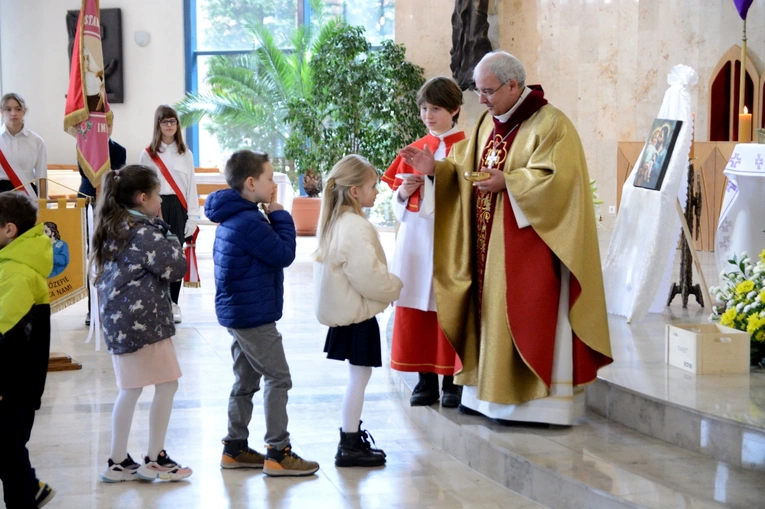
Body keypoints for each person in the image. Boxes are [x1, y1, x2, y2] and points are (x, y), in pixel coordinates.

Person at [400, 51, 613, 425]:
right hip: (487, 245)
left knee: (523, 314)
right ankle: (486, 397)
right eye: (479, 92)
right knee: (486, 312)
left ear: (513, 85)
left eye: (488, 91)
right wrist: (437, 169)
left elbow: (558, 181)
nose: (481, 100)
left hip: (527, 249)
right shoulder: (488, 122)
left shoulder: (551, 124)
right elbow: (465, 167)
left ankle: (533, 405)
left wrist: (510, 183)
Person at [205, 150, 319, 477]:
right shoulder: (248, 221)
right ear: (251, 182)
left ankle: (235, 448)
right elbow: (283, 253)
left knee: (246, 380)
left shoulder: (238, 216)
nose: (273, 185)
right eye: (269, 179)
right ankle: (278, 451)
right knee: (279, 378)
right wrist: (281, 216)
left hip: (240, 312)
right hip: (252, 315)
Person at [91, 165, 192, 482]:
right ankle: (155, 457)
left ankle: (118, 460)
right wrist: (169, 233)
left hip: (122, 324)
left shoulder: (114, 226)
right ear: (142, 197)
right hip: (144, 326)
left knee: (131, 390)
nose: (162, 201)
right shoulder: (146, 233)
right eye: (158, 194)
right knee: (167, 384)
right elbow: (177, 267)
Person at [381, 76, 465, 408]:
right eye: (424, 109)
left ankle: (452, 382)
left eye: (436, 109)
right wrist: (404, 192)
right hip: (416, 239)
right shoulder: (415, 148)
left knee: (447, 306)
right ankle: (424, 380)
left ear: (455, 109)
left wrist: (435, 177)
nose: (429, 116)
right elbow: (395, 201)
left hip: (449, 239)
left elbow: (469, 195)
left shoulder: (467, 149)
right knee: (416, 304)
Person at [314, 155, 403, 467]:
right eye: (372, 186)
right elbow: (367, 276)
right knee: (359, 377)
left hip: (349, 312)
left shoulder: (339, 220)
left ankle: (350, 439)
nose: (377, 191)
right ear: (354, 191)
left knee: (358, 376)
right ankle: (349, 444)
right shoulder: (354, 226)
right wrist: (394, 287)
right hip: (356, 314)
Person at [0, 192, 56, 508]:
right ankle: (30, 490)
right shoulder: (13, 265)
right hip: (18, 385)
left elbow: (6, 336)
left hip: (11, 387)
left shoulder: (17, 272)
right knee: (9, 453)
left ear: (10, 230)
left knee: (9, 453)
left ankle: (27, 494)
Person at [138, 105, 199, 324]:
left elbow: (191, 186)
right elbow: (142, 188)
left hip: (178, 208)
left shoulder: (186, 154)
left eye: (173, 121)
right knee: (155, 257)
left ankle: (173, 303)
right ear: (158, 125)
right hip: (155, 208)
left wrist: (193, 216)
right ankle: (157, 301)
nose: (170, 125)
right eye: (165, 121)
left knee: (175, 257)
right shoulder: (148, 154)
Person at [78, 115, 126, 326]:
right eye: (101, 124)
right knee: (91, 256)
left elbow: (116, 177)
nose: (105, 128)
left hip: (110, 205)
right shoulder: (83, 147)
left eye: (108, 124)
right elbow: (86, 175)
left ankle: (111, 304)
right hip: (88, 203)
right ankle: (92, 309)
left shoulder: (119, 150)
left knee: (110, 255)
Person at [0, 93, 47, 198]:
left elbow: (41, 176)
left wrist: (43, 203)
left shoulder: (37, 141)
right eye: (8, 109)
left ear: (24, 112)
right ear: (1, 111)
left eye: (18, 109)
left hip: (27, 194)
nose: (13, 113)